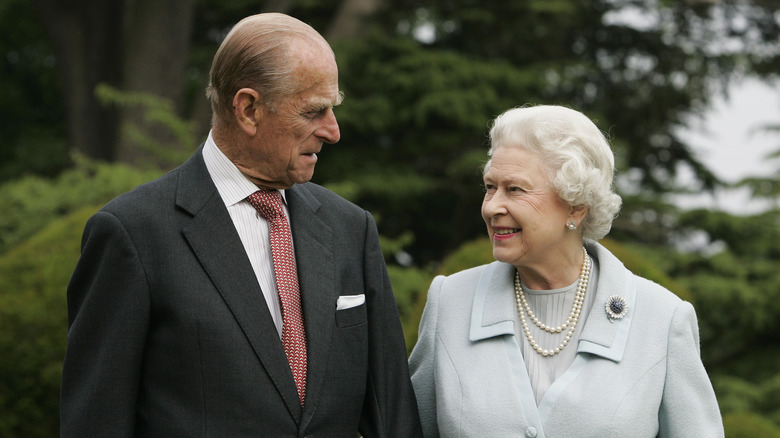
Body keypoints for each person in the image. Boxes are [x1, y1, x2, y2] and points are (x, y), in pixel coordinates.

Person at [61, 13, 422, 437]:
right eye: (314, 111)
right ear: (248, 109)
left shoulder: (351, 229)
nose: (333, 131)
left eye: (333, 109)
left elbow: (394, 417)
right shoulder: (132, 234)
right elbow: (96, 422)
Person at [409, 105, 723, 437]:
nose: (492, 206)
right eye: (490, 187)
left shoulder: (662, 319)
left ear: (575, 205)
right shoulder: (450, 302)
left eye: (515, 189)